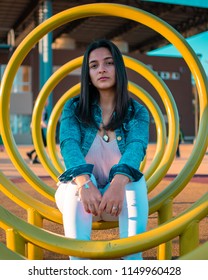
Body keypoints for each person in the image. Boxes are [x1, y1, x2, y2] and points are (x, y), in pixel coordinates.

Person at [55, 39, 150, 260]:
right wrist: (85, 183)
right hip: (80, 197)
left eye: (108, 63)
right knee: (73, 186)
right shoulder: (74, 108)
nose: (102, 69)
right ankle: (79, 266)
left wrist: (117, 183)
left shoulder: (137, 111)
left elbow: (137, 147)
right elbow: (68, 144)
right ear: (87, 73)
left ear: (119, 67)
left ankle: (132, 265)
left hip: (118, 200)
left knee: (134, 180)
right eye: (94, 65)